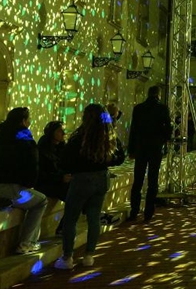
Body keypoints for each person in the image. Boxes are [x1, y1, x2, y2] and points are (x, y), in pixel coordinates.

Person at [54, 104, 126, 269]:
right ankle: (89, 256)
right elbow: (120, 157)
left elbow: (64, 161)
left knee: (71, 219)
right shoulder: (109, 136)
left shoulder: (79, 137)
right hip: (101, 178)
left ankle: (67, 257)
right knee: (94, 218)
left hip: (81, 179)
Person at [0, 107, 47, 255]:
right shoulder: (26, 141)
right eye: (28, 119)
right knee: (41, 201)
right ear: (23, 121)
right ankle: (27, 243)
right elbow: (32, 169)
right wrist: (26, 185)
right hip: (7, 190)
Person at [128, 85, 172, 222]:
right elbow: (168, 129)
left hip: (141, 147)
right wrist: (162, 141)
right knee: (153, 180)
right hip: (155, 148)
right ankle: (148, 212)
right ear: (158, 94)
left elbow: (133, 130)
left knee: (138, 180)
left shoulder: (138, 108)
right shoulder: (163, 109)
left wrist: (131, 149)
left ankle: (134, 211)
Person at [35, 120, 71, 234]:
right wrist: (61, 178)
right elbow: (41, 174)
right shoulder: (42, 150)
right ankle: (63, 228)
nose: (63, 133)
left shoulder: (61, 148)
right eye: (60, 131)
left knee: (79, 192)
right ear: (52, 133)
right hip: (47, 184)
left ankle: (64, 226)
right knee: (75, 196)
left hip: (58, 182)